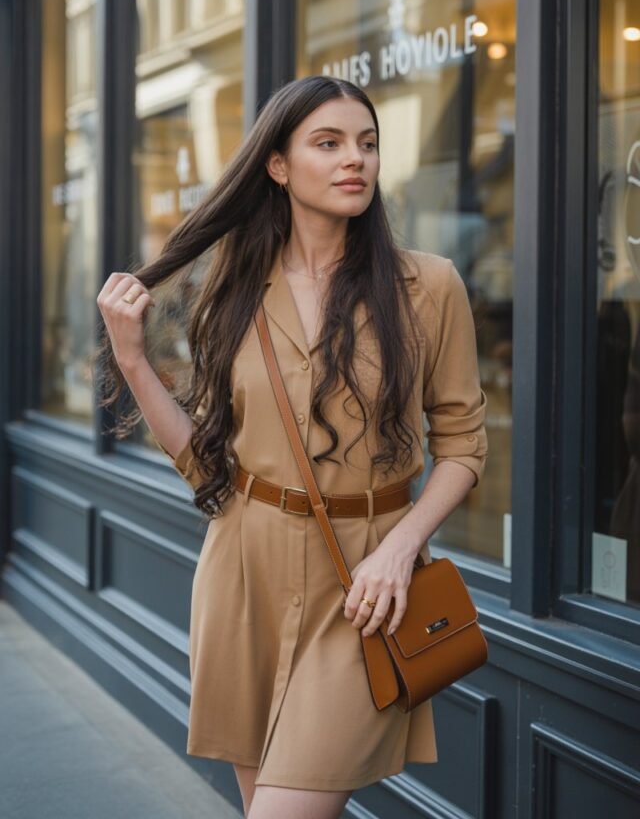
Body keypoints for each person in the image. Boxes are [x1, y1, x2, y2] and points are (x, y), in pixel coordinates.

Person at [95, 75, 489, 819]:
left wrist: (402, 547)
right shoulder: (231, 291)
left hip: (363, 584)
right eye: (330, 143)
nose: (357, 161)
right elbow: (204, 465)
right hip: (243, 568)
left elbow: (465, 449)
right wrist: (135, 362)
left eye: (368, 145)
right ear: (277, 165)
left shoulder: (429, 288)